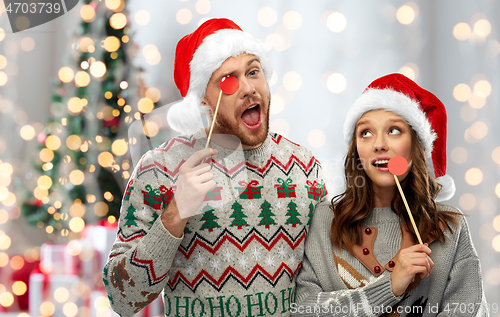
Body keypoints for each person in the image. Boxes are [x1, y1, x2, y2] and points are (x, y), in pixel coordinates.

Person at [103, 18, 328, 317]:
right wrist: (175, 214)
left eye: (253, 72)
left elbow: (324, 285)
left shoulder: (305, 167)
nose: (248, 88)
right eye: (228, 80)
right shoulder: (158, 168)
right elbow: (122, 299)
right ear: (204, 101)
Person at [292, 73, 488, 316]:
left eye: (394, 130)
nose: (379, 144)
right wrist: (389, 287)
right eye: (366, 133)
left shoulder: (451, 226)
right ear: (357, 150)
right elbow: (304, 310)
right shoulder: (325, 219)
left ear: (415, 144)